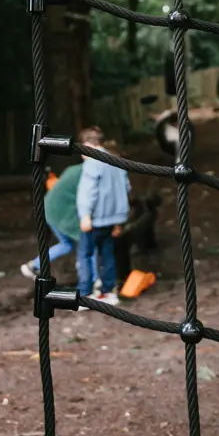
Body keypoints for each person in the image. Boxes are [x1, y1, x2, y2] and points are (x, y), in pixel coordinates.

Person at [76, 127, 130, 307]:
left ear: (87, 145)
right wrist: (119, 220)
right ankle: (108, 291)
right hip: (112, 219)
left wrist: (85, 215)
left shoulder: (92, 162)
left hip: (94, 219)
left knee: (85, 254)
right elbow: (126, 189)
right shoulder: (116, 161)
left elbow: (87, 192)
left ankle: (84, 294)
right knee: (107, 254)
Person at [20, 162, 85, 280]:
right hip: (58, 212)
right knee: (84, 239)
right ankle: (88, 274)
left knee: (67, 244)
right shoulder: (86, 174)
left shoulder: (73, 170)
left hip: (49, 209)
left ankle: (33, 265)